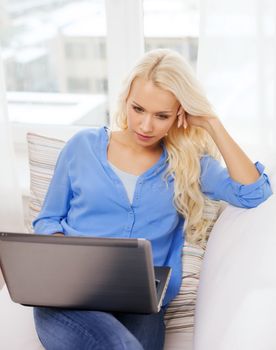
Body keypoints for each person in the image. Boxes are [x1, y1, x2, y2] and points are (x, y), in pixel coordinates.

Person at [32, 48, 272, 350]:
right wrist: (65, 258)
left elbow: (253, 193)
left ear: (180, 114)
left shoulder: (187, 164)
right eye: (138, 109)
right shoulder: (82, 147)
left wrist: (211, 122)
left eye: (161, 116)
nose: (146, 126)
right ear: (125, 101)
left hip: (142, 305)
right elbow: (48, 219)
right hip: (70, 297)